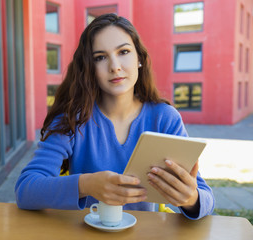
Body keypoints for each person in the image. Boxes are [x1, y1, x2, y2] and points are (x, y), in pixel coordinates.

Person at [15, 13, 215, 220]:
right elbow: (25, 190)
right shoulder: (71, 119)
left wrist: (190, 199)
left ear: (139, 59)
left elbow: (206, 199)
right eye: (100, 57)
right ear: (89, 68)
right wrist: (87, 184)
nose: (115, 66)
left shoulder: (164, 118)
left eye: (124, 52)